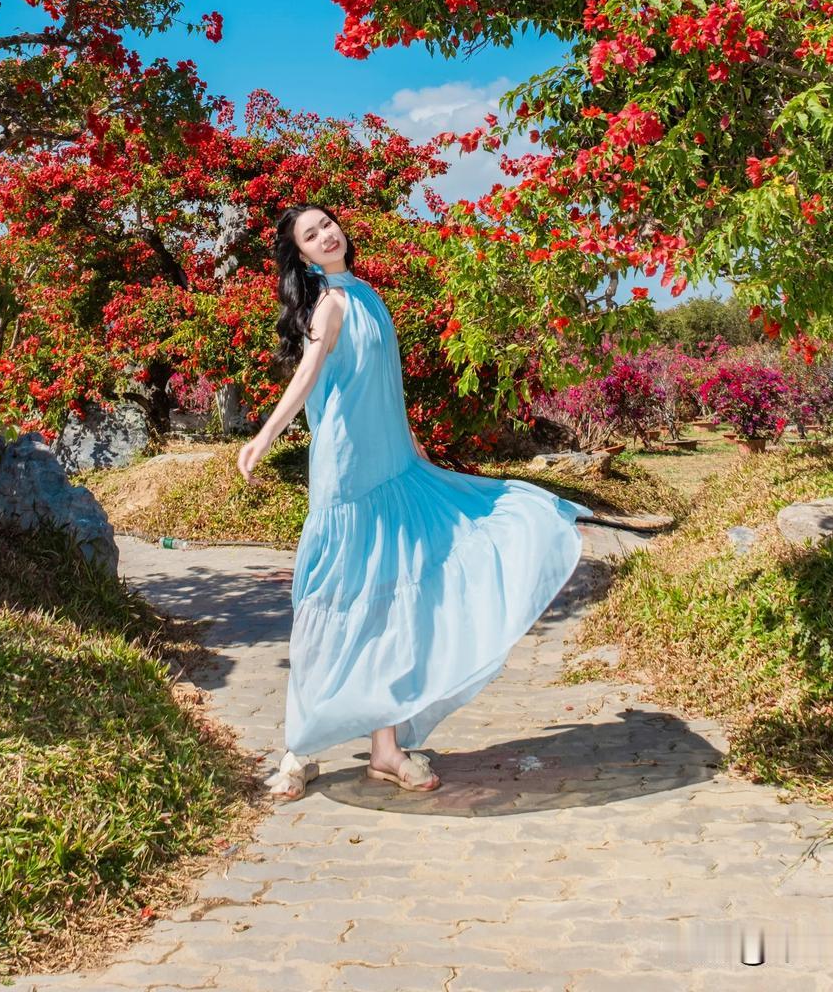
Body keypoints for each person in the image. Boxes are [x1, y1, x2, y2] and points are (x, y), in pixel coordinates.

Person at [237, 203, 593, 801]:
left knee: (391, 606)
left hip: (392, 468)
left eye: (328, 224)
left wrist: (413, 448)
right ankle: (299, 750)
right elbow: (306, 377)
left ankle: (385, 749)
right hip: (348, 479)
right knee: (333, 600)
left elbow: (383, 386)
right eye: (311, 234)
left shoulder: (369, 295)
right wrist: (264, 435)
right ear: (301, 255)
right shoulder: (331, 303)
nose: (327, 235)